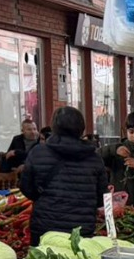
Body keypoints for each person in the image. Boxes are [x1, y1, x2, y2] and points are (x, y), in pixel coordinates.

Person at [20, 105, 112, 245]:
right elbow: (101, 199)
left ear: (54, 127)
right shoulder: (94, 158)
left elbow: (26, 188)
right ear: (81, 128)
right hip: (81, 231)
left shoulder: (38, 153)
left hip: (45, 227)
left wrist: (45, 198)